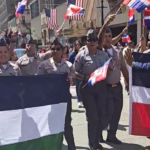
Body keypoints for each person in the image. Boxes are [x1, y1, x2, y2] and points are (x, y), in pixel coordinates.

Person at [74, 29, 110, 150]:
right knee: (92, 116)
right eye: (89, 40)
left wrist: (111, 68)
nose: (92, 42)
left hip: (101, 88)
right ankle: (92, 143)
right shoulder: (81, 55)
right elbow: (74, 72)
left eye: (94, 40)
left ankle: (96, 140)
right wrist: (85, 77)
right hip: (87, 87)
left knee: (101, 115)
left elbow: (108, 68)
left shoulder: (103, 55)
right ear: (86, 42)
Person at [37, 39, 76, 150]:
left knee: (67, 124)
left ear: (62, 51)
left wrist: (70, 79)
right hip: (50, 99)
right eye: (53, 49)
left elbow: (73, 81)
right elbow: (38, 80)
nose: (55, 51)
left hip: (64, 99)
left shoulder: (68, 65)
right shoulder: (44, 65)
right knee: (51, 125)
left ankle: (72, 147)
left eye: (57, 49)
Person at [102, 27, 129, 145]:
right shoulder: (99, 52)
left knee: (117, 112)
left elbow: (123, 67)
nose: (108, 39)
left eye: (109, 36)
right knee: (108, 113)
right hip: (105, 88)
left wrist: (128, 83)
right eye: (105, 37)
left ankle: (111, 136)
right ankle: (98, 134)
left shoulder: (117, 51)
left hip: (117, 87)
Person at [69, 40, 83, 107]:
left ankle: (83, 99)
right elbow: (70, 64)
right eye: (76, 45)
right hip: (76, 73)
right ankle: (79, 100)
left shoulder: (84, 53)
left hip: (83, 72)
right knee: (78, 86)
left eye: (79, 45)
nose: (77, 46)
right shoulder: (72, 55)